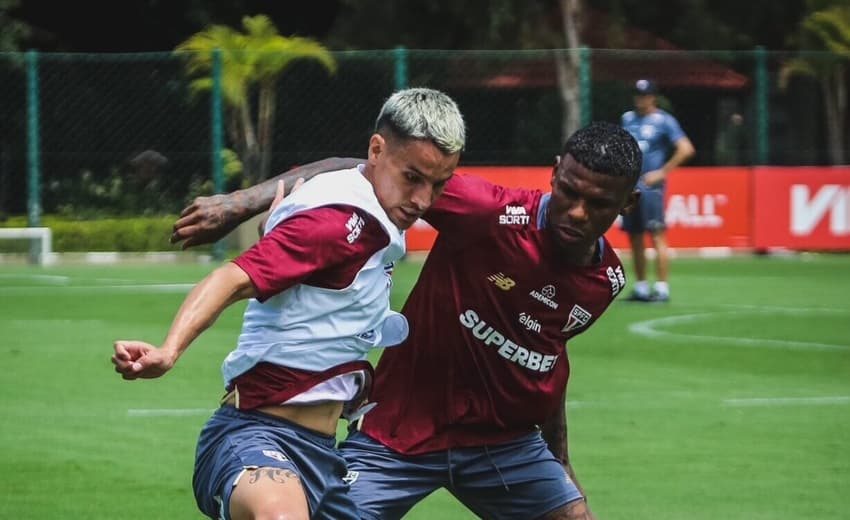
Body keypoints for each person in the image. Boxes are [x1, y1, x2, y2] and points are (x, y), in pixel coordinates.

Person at [170, 121, 642, 520]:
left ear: (628, 204)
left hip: (503, 444)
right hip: (396, 433)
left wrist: (560, 462)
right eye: (569, 192)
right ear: (555, 174)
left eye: (598, 204)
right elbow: (359, 168)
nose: (577, 212)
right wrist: (237, 204)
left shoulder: (606, 281)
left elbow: (546, 361)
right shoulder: (490, 211)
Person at [111, 87, 465, 520]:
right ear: (377, 149)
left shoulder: (370, 205)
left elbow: (338, 167)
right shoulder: (337, 223)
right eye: (413, 178)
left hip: (322, 457)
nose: (423, 200)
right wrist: (169, 351)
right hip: (255, 437)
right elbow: (230, 278)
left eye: (438, 184)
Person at [620, 79, 695, 302]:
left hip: (651, 188)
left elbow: (686, 148)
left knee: (656, 234)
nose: (640, 99)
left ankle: (662, 288)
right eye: (637, 94)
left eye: (644, 95)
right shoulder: (627, 119)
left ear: (653, 97)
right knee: (634, 236)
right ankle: (642, 287)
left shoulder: (664, 121)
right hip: (630, 187)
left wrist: (662, 173)